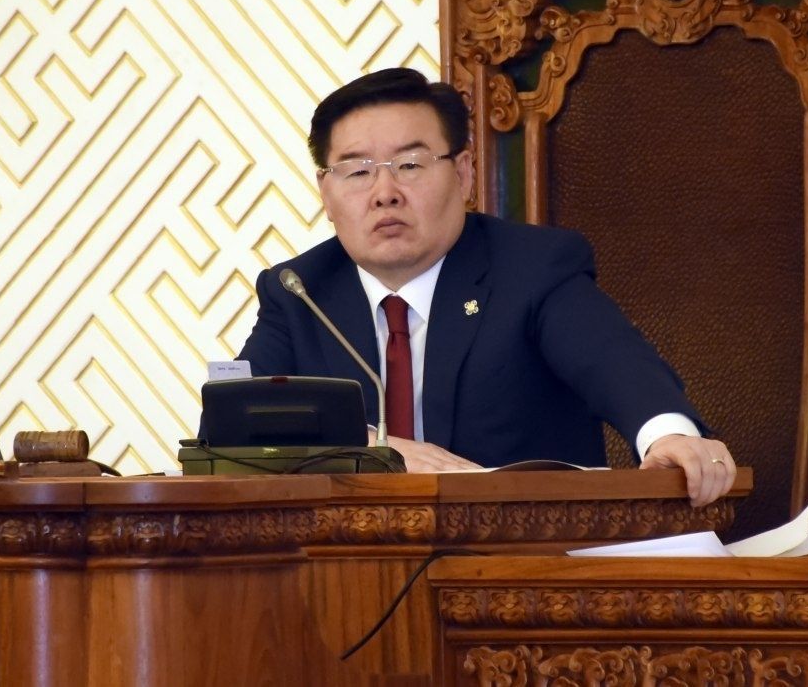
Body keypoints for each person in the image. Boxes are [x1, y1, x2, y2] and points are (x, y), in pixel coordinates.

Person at [238, 68, 736, 505]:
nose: (384, 193)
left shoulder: (533, 269)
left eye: (409, 166)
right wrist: (369, 450)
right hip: (348, 565)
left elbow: (613, 362)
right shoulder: (298, 292)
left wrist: (668, 434)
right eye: (357, 172)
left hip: (523, 560)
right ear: (326, 193)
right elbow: (233, 433)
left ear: (463, 173)